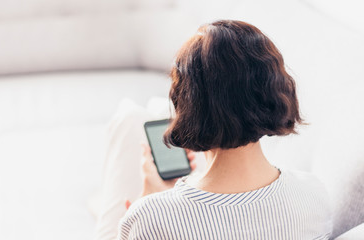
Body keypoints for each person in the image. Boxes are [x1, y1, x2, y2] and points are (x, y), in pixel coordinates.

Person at [116, 20, 332, 239]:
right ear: (275, 91)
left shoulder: (149, 218)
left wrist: (150, 198)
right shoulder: (314, 196)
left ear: (186, 105)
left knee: (129, 118)